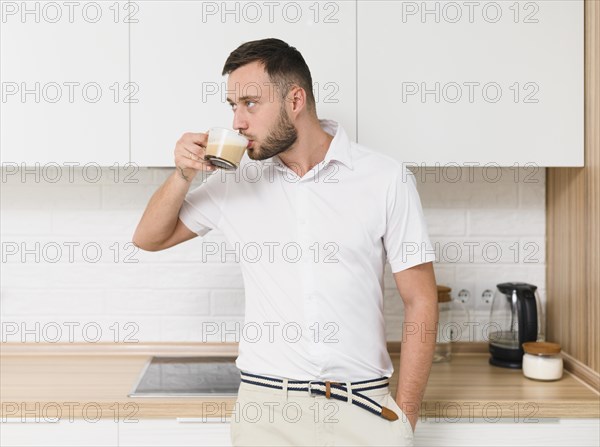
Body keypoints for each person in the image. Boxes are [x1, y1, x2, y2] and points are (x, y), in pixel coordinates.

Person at [133, 38, 438, 447]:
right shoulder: (232, 182)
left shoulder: (386, 178)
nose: (238, 121)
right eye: (232, 106)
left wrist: (405, 418)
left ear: (295, 100)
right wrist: (183, 174)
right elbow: (148, 238)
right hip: (265, 415)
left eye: (250, 103)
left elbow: (421, 299)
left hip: (363, 409)